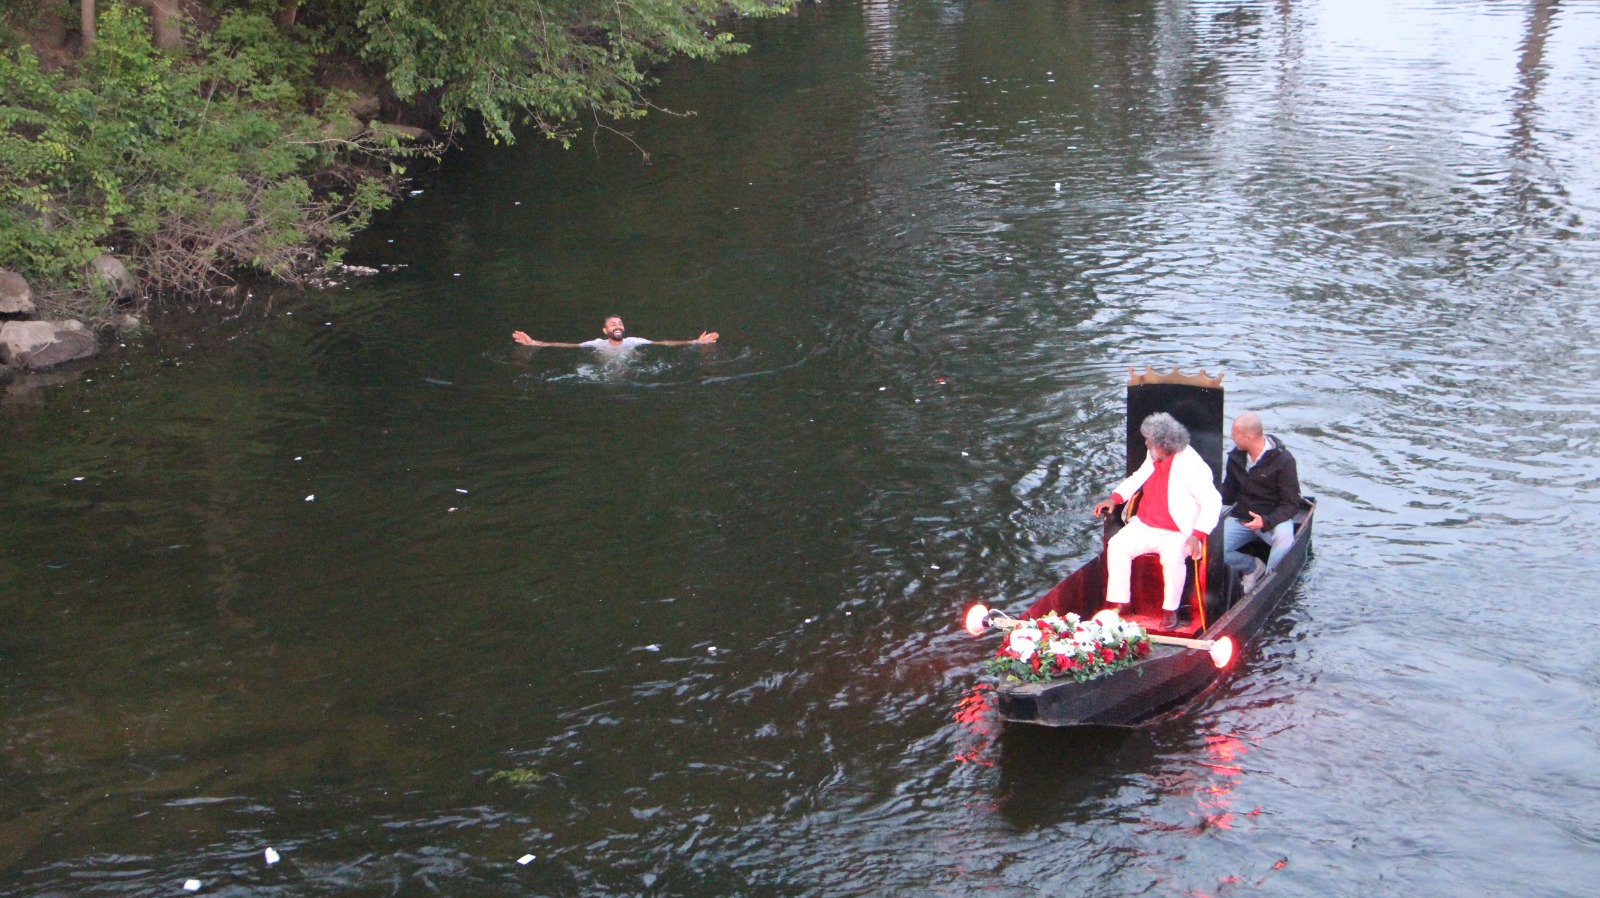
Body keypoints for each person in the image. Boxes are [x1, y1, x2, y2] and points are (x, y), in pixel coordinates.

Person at [1093, 413, 1223, 629]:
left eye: (1150, 441)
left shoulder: (1192, 466)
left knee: (1172, 560)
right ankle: (1121, 603)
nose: (1146, 443)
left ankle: (1170, 610)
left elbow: (1213, 501)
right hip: (1145, 524)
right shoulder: (1154, 455)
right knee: (1117, 545)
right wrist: (1114, 498)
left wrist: (1196, 535)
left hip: (1177, 531)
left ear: (1164, 445)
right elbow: (1138, 476)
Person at [1220, 412, 1302, 591]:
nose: (1231, 437)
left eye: (1234, 433)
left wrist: (1265, 521)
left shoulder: (1284, 461)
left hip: (1273, 519)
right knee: (1214, 549)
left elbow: (1291, 504)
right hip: (1242, 517)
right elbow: (1229, 493)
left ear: (1248, 437)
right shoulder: (1236, 457)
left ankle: (1266, 585)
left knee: (1284, 540)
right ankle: (1253, 567)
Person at [512, 315, 718, 350]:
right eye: (613, 324)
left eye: (620, 323)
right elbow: (566, 346)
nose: (617, 326)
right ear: (605, 330)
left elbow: (663, 343)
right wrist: (534, 343)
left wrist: (695, 342)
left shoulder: (634, 341)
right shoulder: (597, 344)